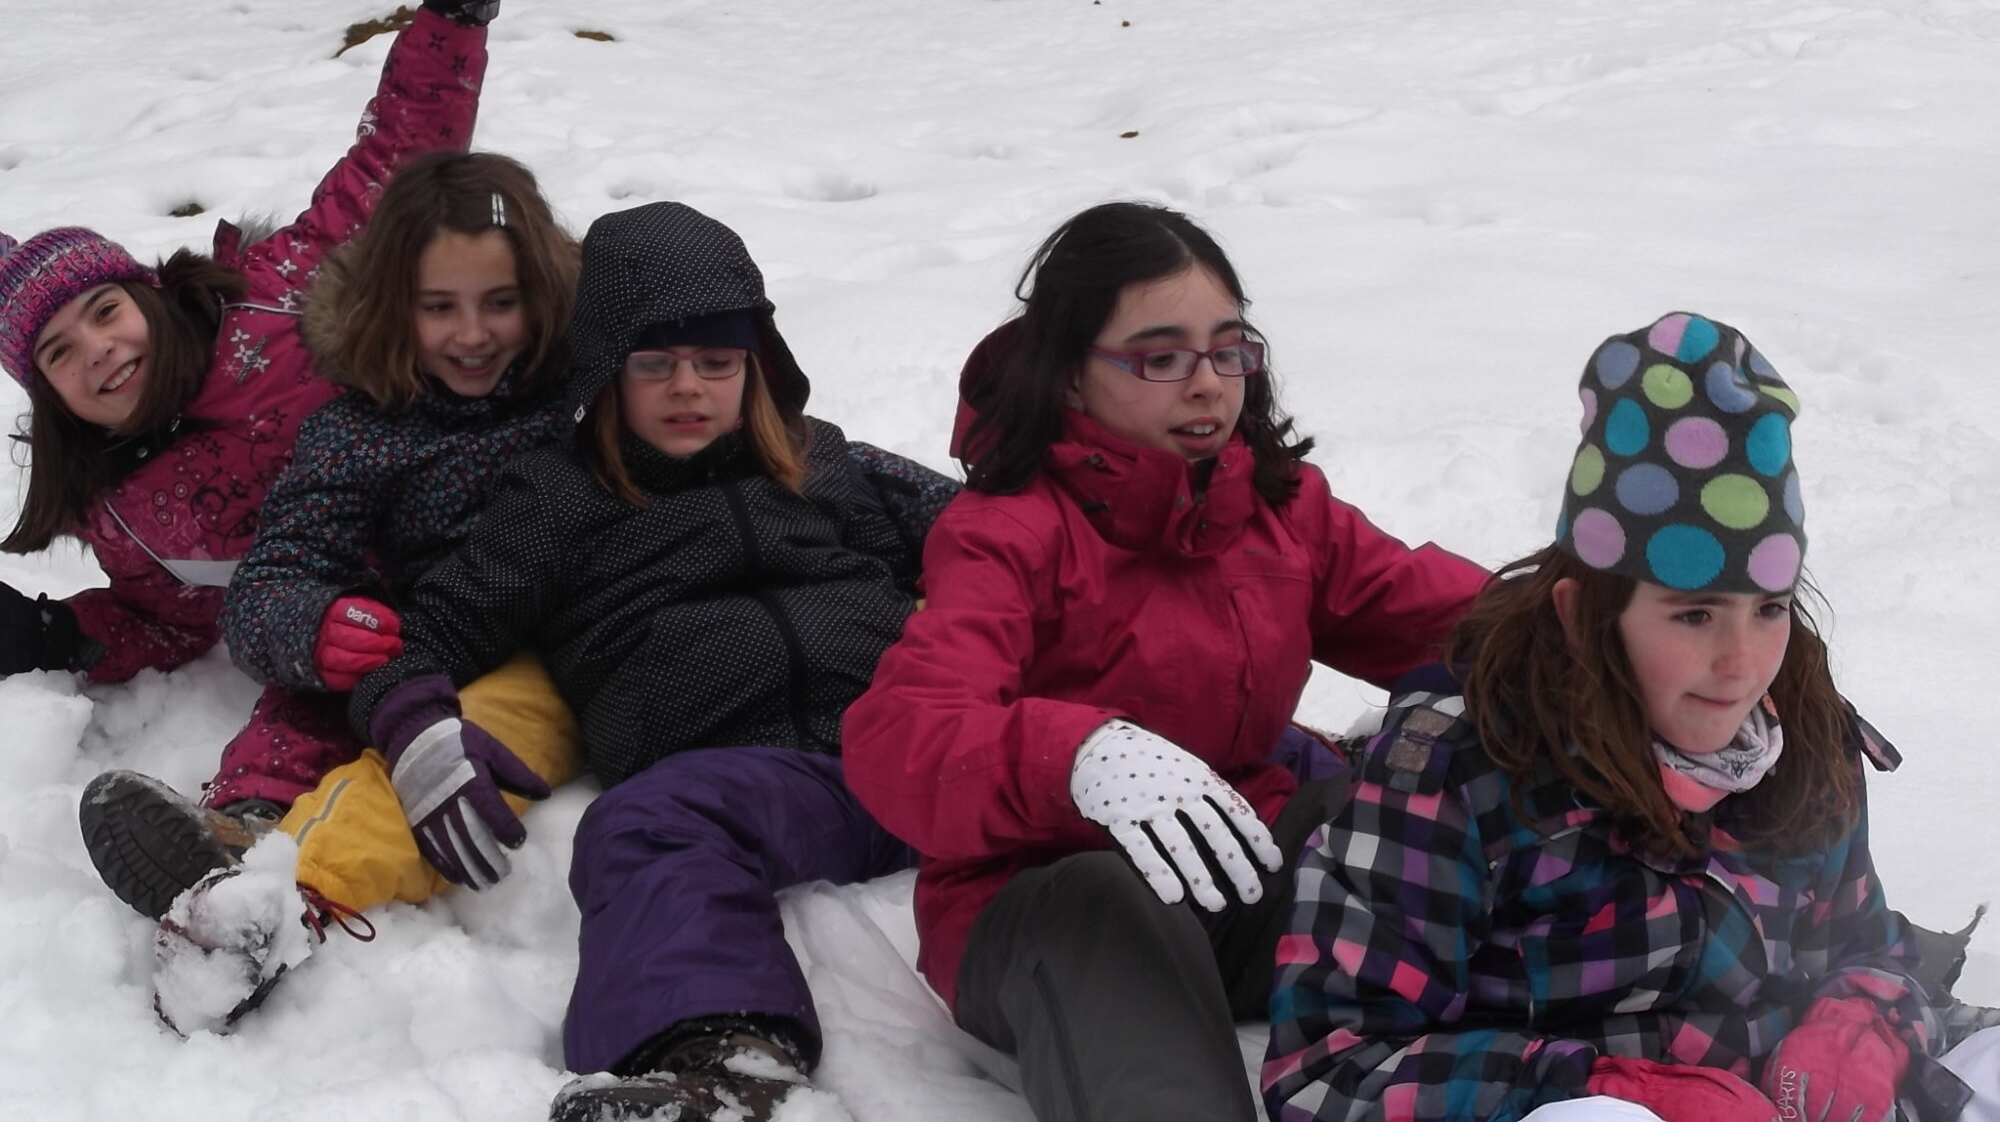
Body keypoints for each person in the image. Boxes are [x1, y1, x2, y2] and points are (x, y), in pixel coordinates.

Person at [301, 200, 955, 1121]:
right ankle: (726, 1066)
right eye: (655, 364)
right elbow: (430, 631)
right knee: (645, 824)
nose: (689, 387)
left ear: (757, 364)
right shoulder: (556, 500)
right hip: (753, 781)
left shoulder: (820, 460)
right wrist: (409, 716)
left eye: (717, 362)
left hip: (925, 747)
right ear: (605, 370)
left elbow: (978, 534)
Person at [1263, 311, 2000, 1122]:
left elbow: (1866, 948)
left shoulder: (1803, 734)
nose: (1742, 663)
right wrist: (1604, 1090)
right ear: (1585, 618)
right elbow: (1327, 1072)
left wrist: (1862, 1025)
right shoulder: (1454, 774)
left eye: (1768, 609)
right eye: (1695, 615)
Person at [840, 200, 1488, 1122]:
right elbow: (901, 735)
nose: (1208, 386)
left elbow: (1452, 622)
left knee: (1422, 798)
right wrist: (1076, 756)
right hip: (1046, 910)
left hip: (1238, 871)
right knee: (1105, 899)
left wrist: (1628, 625)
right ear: (1071, 375)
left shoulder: (1278, 507)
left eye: (1228, 350)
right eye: (1160, 358)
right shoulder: (1006, 531)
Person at [75, 153, 584, 1033]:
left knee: (470, 739)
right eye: (438, 308)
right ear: (393, 305)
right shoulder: (359, 428)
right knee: (315, 694)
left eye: (500, 303)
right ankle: (238, 829)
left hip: (551, 637)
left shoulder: (582, 386)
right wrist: (311, 626)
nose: (472, 334)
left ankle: (290, 877)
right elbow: (275, 574)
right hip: (408, 642)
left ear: (541, 293)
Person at [0, 0, 503, 687]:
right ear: (50, 395)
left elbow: (397, 161)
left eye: (104, 310)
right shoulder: (121, 511)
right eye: (57, 353)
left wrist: (455, 10)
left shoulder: (274, 290)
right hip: (376, 634)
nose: (97, 349)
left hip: (504, 500)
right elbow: (167, 621)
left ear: (148, 294)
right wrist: (52, 636)